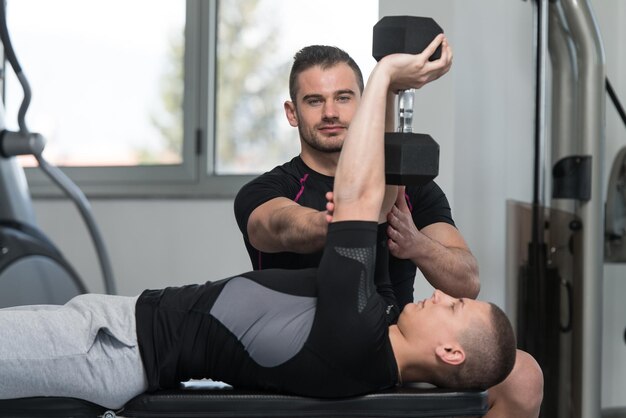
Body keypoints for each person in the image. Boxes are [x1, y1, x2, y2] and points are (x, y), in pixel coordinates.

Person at [0, 39, 517, 412]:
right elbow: (364, 210)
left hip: (114, 346)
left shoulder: (356, 330)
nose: (441, 295)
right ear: (294, 112)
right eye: (317, 100)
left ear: (449, 352)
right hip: (117, 328)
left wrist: (385, 76)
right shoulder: (375, 314)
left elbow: (361, 206)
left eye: (453, 306)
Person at [233, 43, 544, 418]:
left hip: (396, 351)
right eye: (314, 101)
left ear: (366, 105)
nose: (331, 112)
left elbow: (467, 282)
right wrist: (341, 222)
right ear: (292, 112)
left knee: (523, 375)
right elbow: (276, 227)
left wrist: (417, 244)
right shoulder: (268, 190)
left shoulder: (414, 189)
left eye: (344, 98)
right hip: (306, 349)